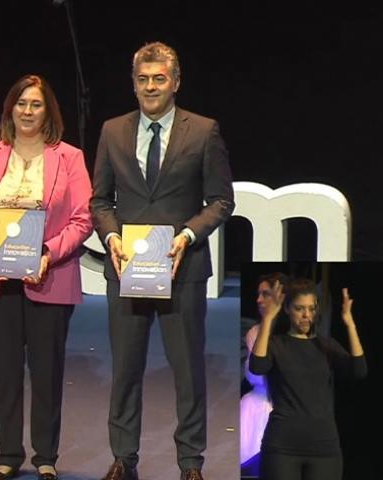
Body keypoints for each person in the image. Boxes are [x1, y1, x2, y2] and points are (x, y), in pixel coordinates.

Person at [89, 42, 235, 480]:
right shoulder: (112, 131)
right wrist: (111, 235)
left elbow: (221, 200)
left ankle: (190, 463)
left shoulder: (204, 130)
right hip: (127, 269)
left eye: (159, 78)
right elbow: (100, 200)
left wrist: (188, 235)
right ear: (133, 84)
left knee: (188, 372)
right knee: (125, 371)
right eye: (142, 79)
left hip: (182, 270)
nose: (150, 86)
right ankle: (123, 459)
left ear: (175, 82)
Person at [0, 74, 93, 480]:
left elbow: (82, 218)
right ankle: (7, 455)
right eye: (21, 103)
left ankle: (45, 457)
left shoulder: (68, 157)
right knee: (4, 372)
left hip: (48, 277)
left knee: (46, 371)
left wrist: (48, 253)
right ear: (10, 109)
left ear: (48, 111)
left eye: (36, 104)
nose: (27, 111)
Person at [250, 278, 367, 480]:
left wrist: (350, 324)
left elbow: (359, 370)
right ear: (286, 308)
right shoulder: (277, 344)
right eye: (299, 308)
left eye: (311, 309)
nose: (306, 315)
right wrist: (269, 318)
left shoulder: (326, 346)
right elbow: (257, 365)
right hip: (282, 446)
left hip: (324, 448)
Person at [240, 273, 287, 470]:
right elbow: (258, 374)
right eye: (258, 294)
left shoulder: (293, 334)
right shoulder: (254, 333)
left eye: (265, 294)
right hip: (257, 408)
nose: (258, 300)